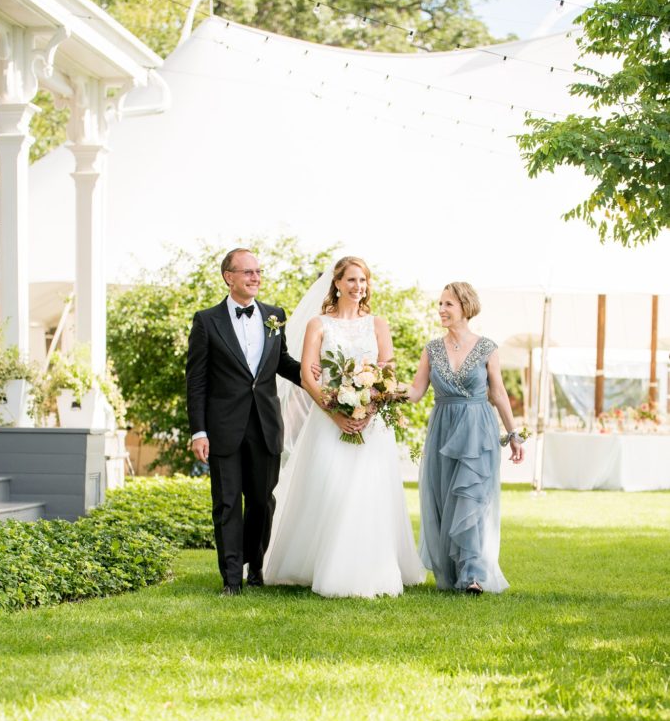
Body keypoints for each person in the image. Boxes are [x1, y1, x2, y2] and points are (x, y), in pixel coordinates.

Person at [263, 256, 425, 598]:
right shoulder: (318, 325)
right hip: (328, 420)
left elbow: (388, 372)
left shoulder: (378, 324)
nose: (358, 287)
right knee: (332, 489)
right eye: (351, 280)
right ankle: (319, 565)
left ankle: (372, 568)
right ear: (336, 283)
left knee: (369, 493)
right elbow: (308, 374)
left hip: (371, 425)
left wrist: (371, 408)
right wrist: (334, 412)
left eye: (362, 280)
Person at [186, 248, 303, 596]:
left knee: (262, 501)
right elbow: (197, 381)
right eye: (247, 272)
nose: (255, 277)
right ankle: (232, 579)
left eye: (258, 272)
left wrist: (319, 376)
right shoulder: (206, 321)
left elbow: (282, 363)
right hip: (222, 427)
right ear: (229, 277)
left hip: (266, 425)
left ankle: (256, 568)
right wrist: (199, 430)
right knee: (225, 503)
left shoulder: (274, 316)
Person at [408, 281, 524, 594]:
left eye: (448, 304)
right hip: (443, 429)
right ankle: (454, 571)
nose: (442, 310)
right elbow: (416, 392)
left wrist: (513, 434)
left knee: (471, 498)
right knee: (447, 500)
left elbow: (498, 393)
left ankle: (473, 575)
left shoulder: (487, 347)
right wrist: (377, 389)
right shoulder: (431, 349)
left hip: (479, 429)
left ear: (465, 307)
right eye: (440, 304)